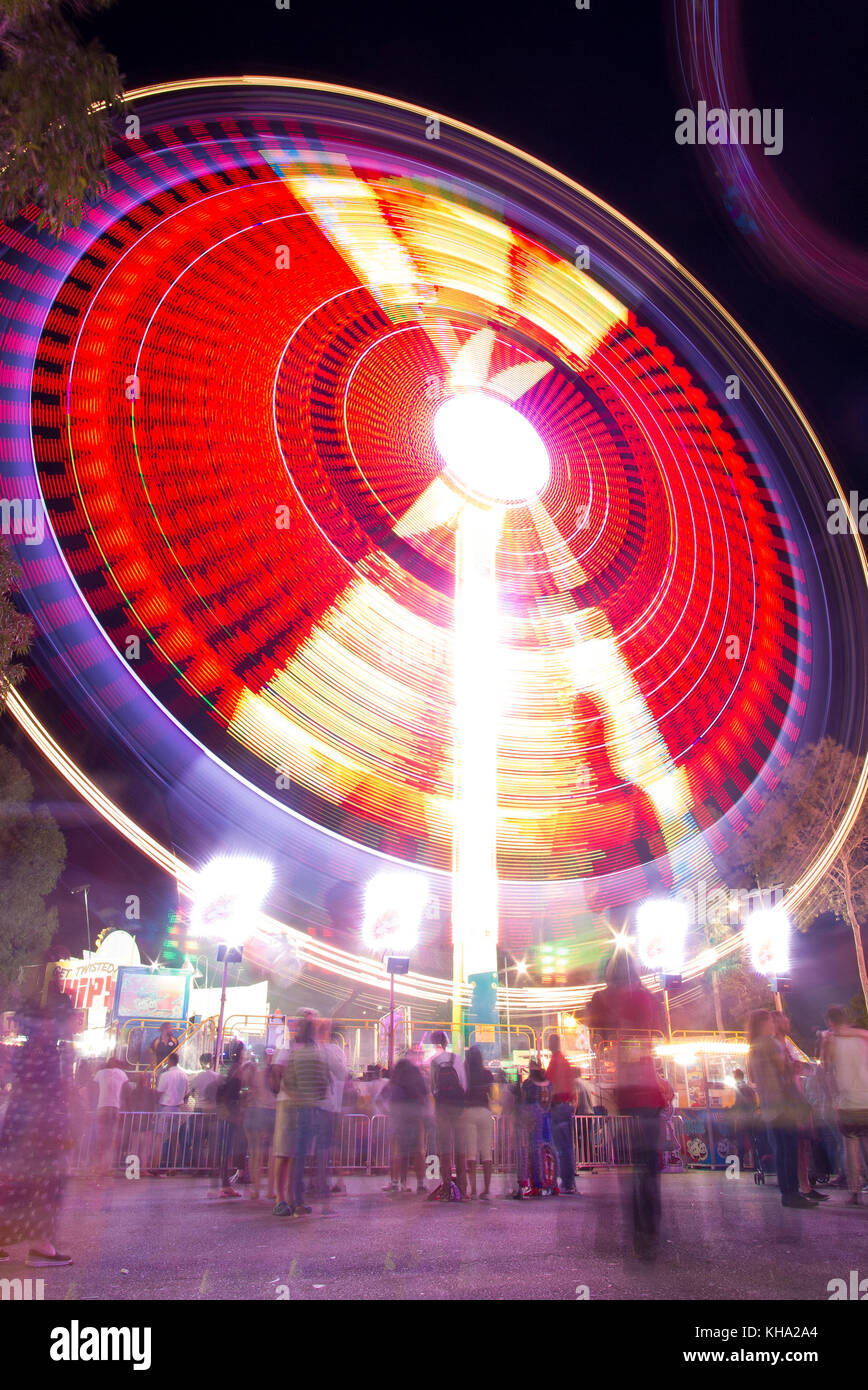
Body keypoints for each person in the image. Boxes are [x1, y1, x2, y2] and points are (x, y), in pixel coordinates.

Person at [586, 950, 668, 1257]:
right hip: (648, 1091)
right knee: (649, 1166)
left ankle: (638, 1230)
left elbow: (595, 1027)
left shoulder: (604, 999)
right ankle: (651, 1226)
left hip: (626, 1095)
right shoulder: (645, 998)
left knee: (633, 1165)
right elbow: (655, 1029)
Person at [0, 996, 74, 1266]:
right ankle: (41, 1246)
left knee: (15, 1183)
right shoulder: (46, 1049)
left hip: (20, 1124)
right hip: (39, 1129)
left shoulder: (26, 1047)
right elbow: (49, 1094)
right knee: (45, 1185)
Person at [747, 1009, 815, 1209]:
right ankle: (793, 1193)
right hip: (784, 1104)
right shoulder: (771, 1044)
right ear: (763, 1024)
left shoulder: (753, 1048)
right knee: (790, 1150)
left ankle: (787, 1192)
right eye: (769, 1021)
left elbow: (753, 1078)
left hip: (769, 1106)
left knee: (782, 1151)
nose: (772, 1024)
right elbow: (784, 1073)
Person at [771, 1013, 827, 1202]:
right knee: (791, 1146)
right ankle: (792, 1189)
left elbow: (802, 1064)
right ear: (777, 1024)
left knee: (802, 1145)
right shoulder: (772, 1045)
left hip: (797, 1095)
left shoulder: (786, 1042)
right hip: (787, 1101)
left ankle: (804, 1186)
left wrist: (801, 1067)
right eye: (784, 1020)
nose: (788, 1022)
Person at [277, 1014, 328, 1216]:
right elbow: (324, 1083)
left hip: (297, 1109)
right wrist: (314, 1096)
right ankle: (300, 1199)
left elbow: (287, 1083)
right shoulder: (318, 1056)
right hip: (313, 1109)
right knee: (305, 1156)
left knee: (295, 1155)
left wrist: (298, 1096)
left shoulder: (295, 1056)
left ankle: (293, 1199)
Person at [821, 1007, 868, 1206]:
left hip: (847, 1101)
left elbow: (826, 1069)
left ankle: (855, 1192)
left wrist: (833, 1098)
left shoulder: (830, 1041)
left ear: (830, 1021)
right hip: (866, 1097)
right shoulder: (863, 1036)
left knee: (851, 1148)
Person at [428, 1030, 468, 1201]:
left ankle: (446, 1189)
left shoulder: (434, 1061)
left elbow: (432, 1087)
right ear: (446, 1042)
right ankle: (463, 1189)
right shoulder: (456, 1059)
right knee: (460, 1148)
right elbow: (464, 1084)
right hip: (458, 1107)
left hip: (442, 1107)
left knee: (444, 1148)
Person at [383, 1055, 429, 1194]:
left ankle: (399, 1183)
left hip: (399, 1120)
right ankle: (420, 1184)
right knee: (418, 1152)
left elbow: (380, 1099)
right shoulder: (416, 1079)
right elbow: (425, 1097)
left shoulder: (395, 1082)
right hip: (415, 1119)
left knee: (400, 1153)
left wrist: (388, 1111)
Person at [315, 1025, 348, 1198]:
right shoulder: (340, 1052)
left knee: (321, 1145)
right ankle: (338, 1180)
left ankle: (322, 1181)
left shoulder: (323, 1050)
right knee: (333, 1144)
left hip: (324, 1105)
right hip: (336, 1105)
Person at [211, 1045, 247, 1199]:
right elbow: (232, 1095)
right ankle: (223, 1186)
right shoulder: (237, 1070)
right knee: (226, 1150)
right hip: (230, 1115)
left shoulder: (231, 1069)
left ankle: (223, 1185)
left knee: (225, 1150)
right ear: (241, 1054)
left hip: (226, 1114)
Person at [546, 1035, 579, 1195]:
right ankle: (569, 1181)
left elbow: (548, 1084)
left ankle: (565, 1182)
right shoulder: (565, 1061)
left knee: (560, 1147)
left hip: (557, 1106)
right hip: (566, 1106)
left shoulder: (554, 1062)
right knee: (567, 1146)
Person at [462, 1046, 495, 1200]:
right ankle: (486, 1189)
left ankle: (474, 1189)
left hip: (468, 1112)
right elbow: (493, 1095)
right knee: (486, 1153)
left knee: (471, 1154)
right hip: (485, 1112)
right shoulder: (487, 1074)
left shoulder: (465, 1074)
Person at [149, 1051, 189, 1174]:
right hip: (177, 1109)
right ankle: (173, 1167)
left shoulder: (165, 1075)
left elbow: (159, 1091)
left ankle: (155, 1165)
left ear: (169, 1061)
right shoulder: (184, 1075)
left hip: (165, 1108)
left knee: (159, 1137)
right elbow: (187, 1093)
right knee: (174, 1139)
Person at [92, 1056, 126, 1177]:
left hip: (102, 1107)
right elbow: (126, 1088)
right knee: (111, 1139)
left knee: (101, 1138)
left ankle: (98, 1166)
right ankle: (107, 1166)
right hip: (115, 1107)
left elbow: (94, 1088)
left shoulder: (100, 1073)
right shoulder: (122, 1074)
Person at [187, 1052, 220, 1168]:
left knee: (198, 1141)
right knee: (213, 1141)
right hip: (213, 1111)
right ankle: (212, 1167)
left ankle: (197, 1167)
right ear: (211, 1062)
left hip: (199, 1110)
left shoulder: (197, 1078)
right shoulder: (217, 1076)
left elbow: (190, 1092)